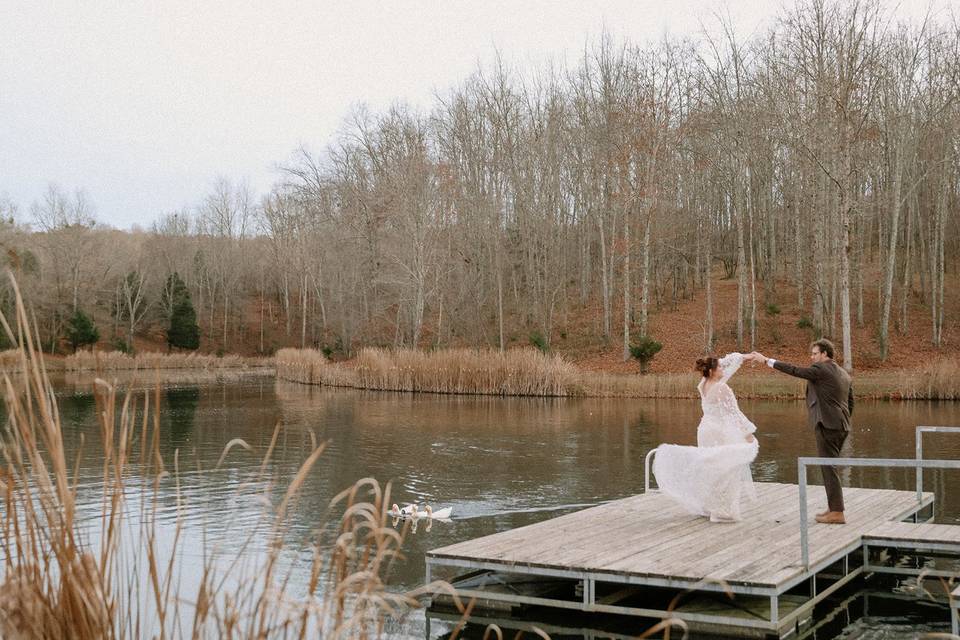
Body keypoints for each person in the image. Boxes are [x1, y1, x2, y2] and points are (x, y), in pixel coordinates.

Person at [747, 339, 853, 525]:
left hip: (827, 425)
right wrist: (842, 420)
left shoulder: (821, 370)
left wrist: (766, 360)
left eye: (814, 353)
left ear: (825, 354)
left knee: (828, 467)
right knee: (831, 466)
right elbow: (850, 402)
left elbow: (795, 370)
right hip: (841, 426)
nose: (811, 357)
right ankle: (834, 507)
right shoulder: (843, 373)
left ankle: (837, 512)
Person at [652, 353, 759, 522]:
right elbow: (734, 414)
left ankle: (710, 507)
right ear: (712, 371)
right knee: (725, 469)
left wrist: (743, 358)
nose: (723, 368)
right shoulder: (722, 388)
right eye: (720, 367)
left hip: (704, 430)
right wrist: (748, 433)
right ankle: (721, 511)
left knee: (710, 468)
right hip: (718, 432)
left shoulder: (702, 384)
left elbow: (720, 363)